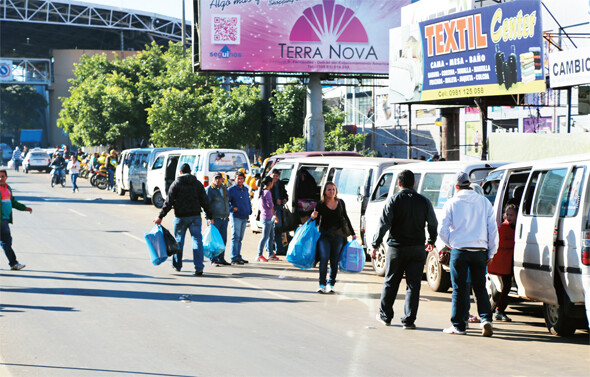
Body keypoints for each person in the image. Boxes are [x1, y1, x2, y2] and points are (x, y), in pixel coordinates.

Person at [372, 169, 438, 329]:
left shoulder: (394, 200)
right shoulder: (424, 201)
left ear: (399, 183)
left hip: (397, 248)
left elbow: (384, 224)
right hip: (417, 249)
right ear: (413, 183)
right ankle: (409, 320)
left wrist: (375, 244)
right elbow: (433, 223)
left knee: (391, 282)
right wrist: (431, 240)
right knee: (413, 285)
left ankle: (385, 316)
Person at [439, 172, 499, 337]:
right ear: (470, 184)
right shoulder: (484, 202)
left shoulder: (451, 202)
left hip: (460, 250)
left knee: (458, 289)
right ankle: (486, 319)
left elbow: (442, 230)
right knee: (480, 288)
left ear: (456, 186)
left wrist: (452, 243)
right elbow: (492, 230)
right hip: (480, 251)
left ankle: (459, 325)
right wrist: (492, 252)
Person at [154, 163, 212, 276]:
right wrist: (210, 216)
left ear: (180, 172)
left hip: (180, 217)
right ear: (190, 171)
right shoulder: (197, 184)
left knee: (179, 241)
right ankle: (199, 267)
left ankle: (177, 265)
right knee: (197, 241)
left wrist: (160, 216)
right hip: (195, 216)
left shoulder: (176, 184)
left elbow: (168, 202)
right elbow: (205, 201)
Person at [310, 182, 355, 294]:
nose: (331, 192)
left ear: (336, 191)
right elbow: (315, 221)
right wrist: (312, 217)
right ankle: (322, 284)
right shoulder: (320, 204)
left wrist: (353, 233)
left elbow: (346, 217)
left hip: (338, 236)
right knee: (324, 258)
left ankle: (331, 284)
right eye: (329, 189)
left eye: (333, 189)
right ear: (325, 191)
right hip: (324, 235)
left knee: (334, 260)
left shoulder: (340, 203)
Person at [488, 203, 517, 322]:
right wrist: (516, 243)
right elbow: (502, 243)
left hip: (508, 261)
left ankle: (498, 309)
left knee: (506, 287)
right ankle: (499, 310)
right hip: (504, 262)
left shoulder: (513, 227)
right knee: (506, 287)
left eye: (511, 215)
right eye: (507, 214)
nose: (508, 217)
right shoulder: (504, 227)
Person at [0, 169, 32, 270]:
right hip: (1, 221)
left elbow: (13, 202)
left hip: (5, 219)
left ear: (6, 177)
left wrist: (24, 208)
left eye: (2, 176)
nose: (0, 178)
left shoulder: (8, 188)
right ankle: (13, 263)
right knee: (6, 241)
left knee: (6, 242)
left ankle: (13, 263)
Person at [206, 173, 231, 266]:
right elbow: (206, 205)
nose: (217, 180)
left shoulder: (224, 189)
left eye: (219, 178)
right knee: (213, 241)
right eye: (216, 178)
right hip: (214, 219)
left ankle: (221, 258)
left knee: (223, 240)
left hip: (224, 219)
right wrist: (209, 218)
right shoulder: (209, 190)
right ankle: (214, 260)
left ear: (222, 180)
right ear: (213, 179)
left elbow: (227, 201)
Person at [228, 171, 251, 265]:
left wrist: (249, 210)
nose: (240, 180)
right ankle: (234, 257)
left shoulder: (245, 189)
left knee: (240, 238)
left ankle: (238, 256)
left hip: (244, 216)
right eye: (238, 178)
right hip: (236, 216)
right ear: (235, 179)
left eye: (242, 178)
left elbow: (248, 201)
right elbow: (226, 202)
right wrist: (232, 208)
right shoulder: (231, 190)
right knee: (235, 237)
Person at [257, 176, 280, 262]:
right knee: (265, 237)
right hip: (267, 217)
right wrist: (275, 214)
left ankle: (270, 253)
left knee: (270, 236)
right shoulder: (267, 193)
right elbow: (270, 205)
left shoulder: (263, 191)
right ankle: (259, 254)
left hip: (267, 217)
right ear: (270, 183)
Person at [270, 169, 288, 254]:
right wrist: (275, 201)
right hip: (271, 210)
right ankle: (269, 250)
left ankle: (279, 249)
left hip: (279, 209)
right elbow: (266, 198)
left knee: (279, 230)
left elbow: (285, 194)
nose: (275, 177)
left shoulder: (281, 184)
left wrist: (284, 199)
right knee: (272, 231)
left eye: (276, 176)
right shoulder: (268, 183)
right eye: (274, 176)